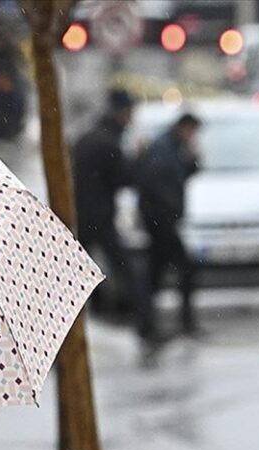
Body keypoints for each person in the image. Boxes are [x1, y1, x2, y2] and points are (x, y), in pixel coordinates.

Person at [72, 89, 154, 339]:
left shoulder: (90, 137)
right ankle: (145, 325)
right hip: (100, 218)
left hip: (81, 216)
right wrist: (140, 159)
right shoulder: (108, 142)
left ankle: (58, 333)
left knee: (71, 276)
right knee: (126, 271)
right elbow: (125, 179)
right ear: (123, 113)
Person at [137, 112, 202, 338]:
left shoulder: (173, 147)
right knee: (184, 269)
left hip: (162, 221)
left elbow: (185, 173)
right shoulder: (164, 149)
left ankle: (148, 322)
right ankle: (177, 322)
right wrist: (168, 214)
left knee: (156, 274)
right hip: (161, 222)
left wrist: (194, 158)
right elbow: (157, 184)